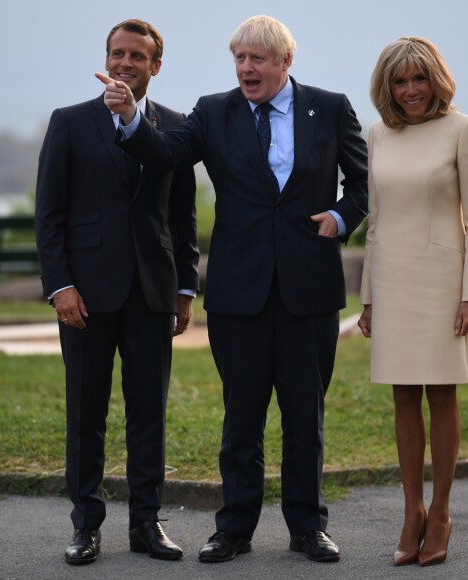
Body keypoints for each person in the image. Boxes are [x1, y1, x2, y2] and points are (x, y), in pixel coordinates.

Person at [98, 14, 368, 563]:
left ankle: (307, 527)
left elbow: (361, 183)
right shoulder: (213, 111)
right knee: (240, 419)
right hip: (238, 294)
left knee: (305, 420)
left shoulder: (330, 107)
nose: (246, 68)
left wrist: (340, 220)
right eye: (240, 59)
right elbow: (168, 153)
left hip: (308, 292)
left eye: (257, 59)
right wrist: (129, 118)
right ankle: (234, 528)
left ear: (284, 63)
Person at [35, 19, 199, 565]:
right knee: (86, 414)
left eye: (137, 56)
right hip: (84, 295)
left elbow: (183, 218)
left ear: (156, 65)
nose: (126, 63)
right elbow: (49, 215)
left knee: (148, 412)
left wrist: (184, 288)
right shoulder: (70, 123)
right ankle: (86, 526)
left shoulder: (176, 127)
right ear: (107, 59)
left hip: (152, 294)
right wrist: (60, 285)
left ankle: (146, 525)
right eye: (117, 53)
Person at [357, 37, 468, 567]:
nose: (410, 90)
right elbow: (376, 221)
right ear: (387, 86)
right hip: (391, 279)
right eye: (400, 81)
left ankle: (441, 512)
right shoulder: (378, 134)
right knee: (403, 397)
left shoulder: (464, 129)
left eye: (419, 78)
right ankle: (410, 512)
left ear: (435, 79)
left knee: (442, 395)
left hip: (443, 281)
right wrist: (367, 298)